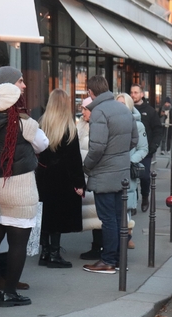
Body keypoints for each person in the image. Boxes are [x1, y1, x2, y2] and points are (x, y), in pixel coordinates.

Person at [0, 83, 49, 306]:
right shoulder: (24, 124)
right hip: (19, 189)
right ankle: (9, 292)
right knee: (17, 242)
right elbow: (43, 145)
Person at [83, 75, 138, 274]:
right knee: (117, 218)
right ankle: (119, 259)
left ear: (90, 92)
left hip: (104, 173)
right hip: (121, 171)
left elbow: (97, 148)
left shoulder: (98, 112)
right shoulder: (123, 109)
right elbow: (134, 139)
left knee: (108, 219)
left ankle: (108, 260)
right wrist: (119, 153)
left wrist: (86, 166)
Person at [36, 89, 85, 269]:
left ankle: (45, 252)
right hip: (62, 177)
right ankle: (55, 254)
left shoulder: (42, 123)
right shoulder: (68, 127)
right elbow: (74, 159)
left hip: (43, 175)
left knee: (45, 213)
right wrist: (79, 183)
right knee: (58, 214)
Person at [116, 93, 148, 249]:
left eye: (123, 103)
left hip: (128, 170)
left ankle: (126, 236)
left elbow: (143, 149)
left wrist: (130, 161)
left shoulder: (138, 125)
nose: (120, 106)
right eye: (118, 103)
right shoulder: (112, 122)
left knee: (126, 205)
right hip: (112, 169)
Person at [77, 97, 103, 261]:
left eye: (86, 109)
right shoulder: (81, 125)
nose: (83, 112)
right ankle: (97, 246)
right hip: (85, 175)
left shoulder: (98, 126)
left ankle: (99, 247)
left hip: (93, 173)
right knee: (94, 215)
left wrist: (87, 167)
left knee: (98, 215)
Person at [130, 84, 162, 213]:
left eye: (136, 92)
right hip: (130, 150)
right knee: (131, 177)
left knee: (144, 176)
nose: (133, 95)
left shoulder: (149, 111)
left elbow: (158, 129)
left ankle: (144, 197)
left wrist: (153, 146)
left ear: (142, 94)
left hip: (145, 151)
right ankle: (133, 203)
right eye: (132, 92)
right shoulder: (127, 110)